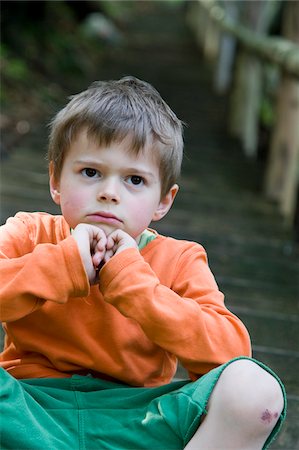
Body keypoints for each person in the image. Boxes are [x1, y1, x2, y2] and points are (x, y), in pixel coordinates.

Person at [0, 76, 286, 450]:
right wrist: (63, 264)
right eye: (90, 172)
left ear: (163, 201)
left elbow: (229, 353)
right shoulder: (29, 232)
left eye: (134, 179)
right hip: (30, 410)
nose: (109, 193)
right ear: (56, 180)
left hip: (136, 421)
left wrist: (136, 285)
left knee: (255, 389)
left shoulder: (179, 259)